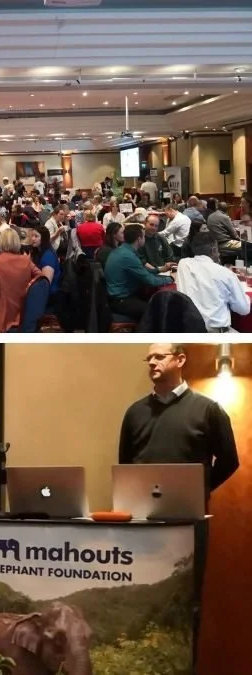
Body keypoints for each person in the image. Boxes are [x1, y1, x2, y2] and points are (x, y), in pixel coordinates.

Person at [118, 343, 239, 659]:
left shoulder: (208, 409)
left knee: (186, 602)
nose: (152, 363)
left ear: (180, 359)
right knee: (139, 600)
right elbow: (125, 465)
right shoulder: (134, 412)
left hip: (189, 523)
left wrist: (198, 490)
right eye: (149, 358)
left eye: (159, 356)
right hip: (141, 525)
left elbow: (229, 460)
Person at [175, 232, 251, 331]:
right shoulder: (225, 273)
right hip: (215, 333)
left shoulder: (183, 264)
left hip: (187, 329)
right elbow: (243, 309)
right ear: (214, 250)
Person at [0, 229, 42, 332]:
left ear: (0, 242)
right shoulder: (26, 260)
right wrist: (27, 289)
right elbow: (41, 278)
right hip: (23, 310)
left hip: (4, 314)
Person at [103, 225, 172, 320]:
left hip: (119, 296)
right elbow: (150, 281)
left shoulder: (122, 250)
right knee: (158, 311)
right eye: (144, 236)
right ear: (139, 239)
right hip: (121, 300)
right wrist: (171, 278)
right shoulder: (128, 256)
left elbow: (141, 270)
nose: (144, 239)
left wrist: (158, 270)